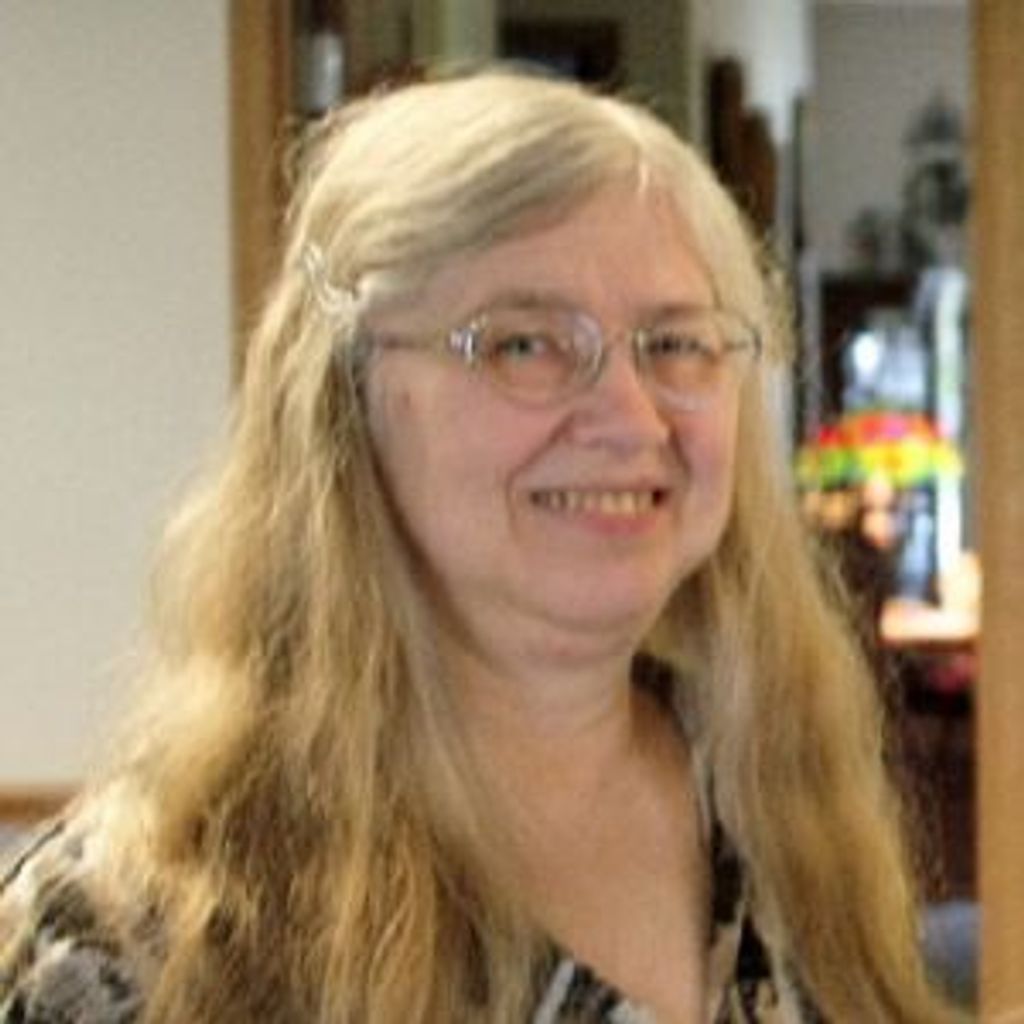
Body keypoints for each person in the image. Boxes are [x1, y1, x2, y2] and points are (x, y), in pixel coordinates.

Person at [0, 70, 958, 1023]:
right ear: (345, 400)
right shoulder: (129, 938)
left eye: (674, 344)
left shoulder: (779, 804)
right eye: (523, 344)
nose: (633, 418)